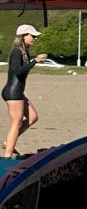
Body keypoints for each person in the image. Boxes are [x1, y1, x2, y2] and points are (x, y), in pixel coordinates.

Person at [3, 24, 46, 158]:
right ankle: (7, 155)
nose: (34, 39)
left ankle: (8, 142)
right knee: (16, 123)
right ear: (24, 36)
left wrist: (33, 61)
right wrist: (35, 61)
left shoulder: (24, 51)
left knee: (33, 117)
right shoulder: (17, 51)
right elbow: (17, 71)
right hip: (13, 92)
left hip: (18, 92)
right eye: (32, 36)